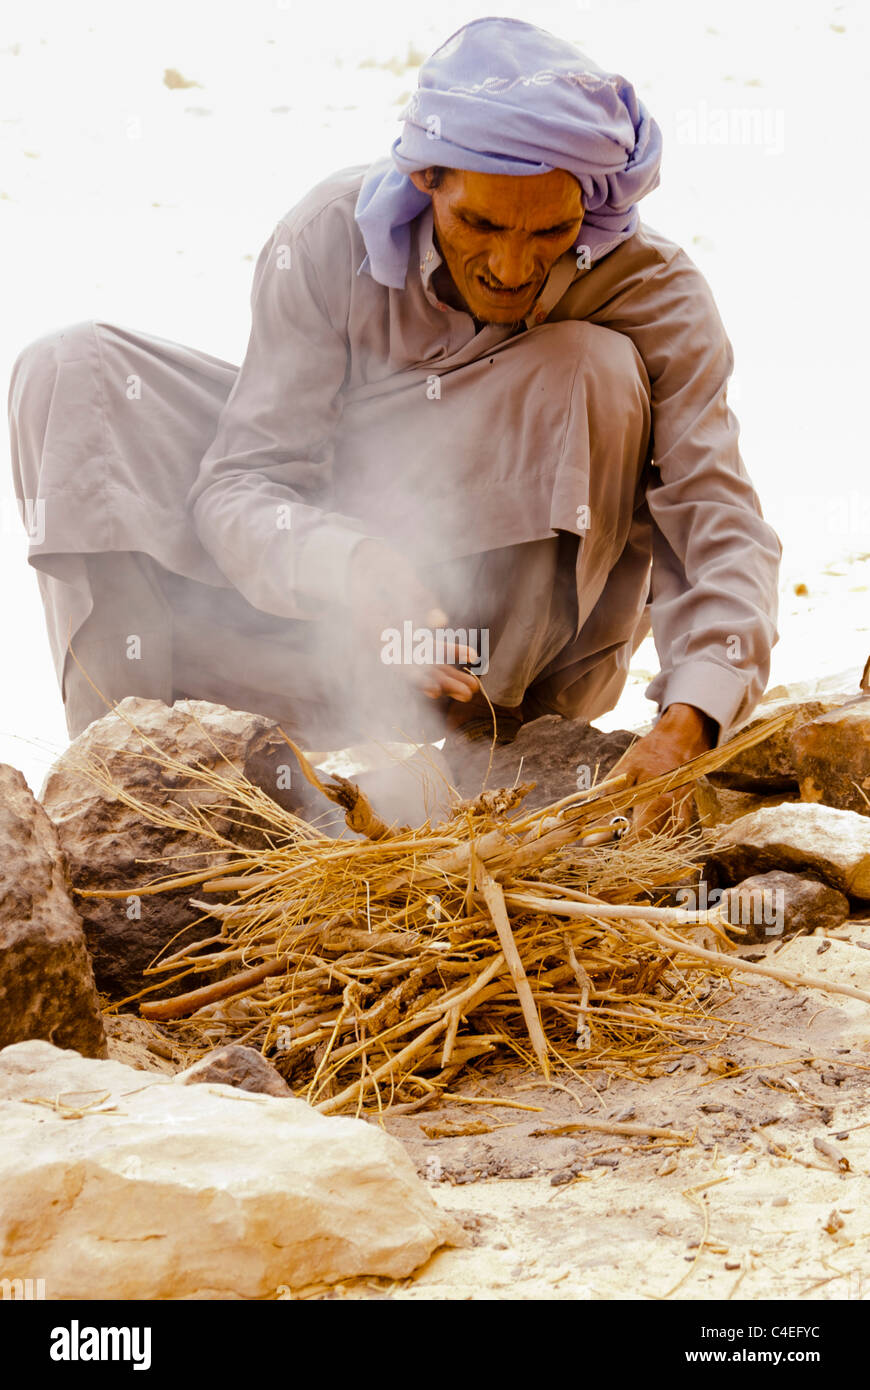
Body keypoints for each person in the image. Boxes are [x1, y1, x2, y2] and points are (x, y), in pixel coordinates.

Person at [8, 17, 781, 833]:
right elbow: (243, 483)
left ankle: (477, 747)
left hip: (502, 681)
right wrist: (359, 570)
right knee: (74, 370)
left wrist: (691, 722)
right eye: (481, 224)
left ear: (589, 207)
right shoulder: (324, 238)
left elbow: (720, 522)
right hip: (320, 625)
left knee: (590, 366)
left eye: (550, 232)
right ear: (426, 180)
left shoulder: (657, 293)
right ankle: (130, 790)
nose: (513, 268)